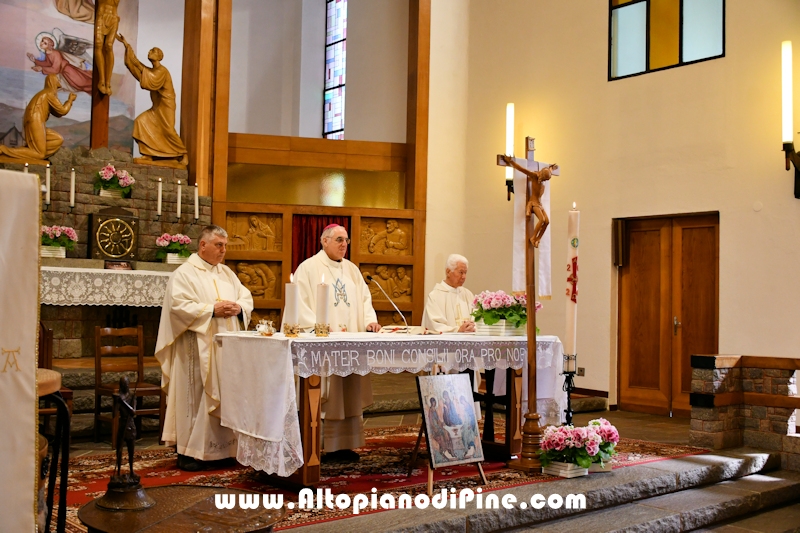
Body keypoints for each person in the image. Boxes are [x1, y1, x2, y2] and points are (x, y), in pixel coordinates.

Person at [155, 225, 253, 471]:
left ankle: (225, 449)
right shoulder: (184, 274)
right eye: (219, 245)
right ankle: (188, 451)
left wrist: (239, 308)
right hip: (195, 349)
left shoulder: (227, 273)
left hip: (226, 348)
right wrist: (212, 310)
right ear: (203, 245)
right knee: (195, 396)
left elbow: (245, 297)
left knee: (227, 394)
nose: (223, 250)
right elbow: (177, 306)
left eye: (225, 246)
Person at [287, 224, 381, 461]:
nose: (343, 245)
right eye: (339, 239)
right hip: (324, 343)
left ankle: (344, 445)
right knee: (328, 392)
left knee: (348, 391)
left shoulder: (352, 270)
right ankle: (319, 445)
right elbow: (298, 304)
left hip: (350, 342)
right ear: (324, 241)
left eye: (346, 240)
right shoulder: (308, 268)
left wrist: (370, 321)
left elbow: (364, 300)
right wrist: (316, 325)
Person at [117, 34, 188, 165]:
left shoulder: (162, 71)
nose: (150, 51)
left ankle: (182, 153)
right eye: (150, 50)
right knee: (141, 122)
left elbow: (146, 74)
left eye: (153, 50)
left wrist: (136, 62)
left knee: (168, 129)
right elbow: (135, 68)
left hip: (166, 104)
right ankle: (148, 154)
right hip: (156, 107)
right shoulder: (151, 71)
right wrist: (126, 46)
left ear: (159, 56)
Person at [0, 75, 75, 161]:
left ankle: (30, 153)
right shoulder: (49, 93)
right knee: (39, 154)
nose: (59, 82)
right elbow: (62, 111)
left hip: (35, 121)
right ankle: (4, 150)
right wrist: (70, 101)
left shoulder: (45, 93)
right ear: (53, 81)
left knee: (57, 139)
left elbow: (58, 114)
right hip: (35, 121)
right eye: (57, 79)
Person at [501, 155, 558, 248]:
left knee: (547, 222)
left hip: (540, 203)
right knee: (542, 219)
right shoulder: (535, 176)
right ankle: (533, 238)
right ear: (542, 174)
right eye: (544, 178)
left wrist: (551, 168)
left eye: (546, 179)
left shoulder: (545, 176)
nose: (545, 180)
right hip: (534, 202)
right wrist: (511, 162)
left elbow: (549, 172)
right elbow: (522, 170)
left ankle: (538, 239)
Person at [421, 254, 476, 333]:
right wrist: (458, 330)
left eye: (465, 272)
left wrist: (472, 327)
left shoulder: (468, 294)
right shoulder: (435, 296)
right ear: (448, 272)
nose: (464, 276)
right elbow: (434, 325)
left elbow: (476, 320)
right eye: (461, 272)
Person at [27, 33, 92, 94]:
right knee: (77, 85)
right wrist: (35, 60)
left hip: (69, 71)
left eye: (45, 43)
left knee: (81, 83)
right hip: (64, 73)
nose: (42, 43)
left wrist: (41, 68)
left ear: (49, 45)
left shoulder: (55, 53)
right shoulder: (48, 53)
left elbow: (56, 69)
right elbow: (48, 63)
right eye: (42, 41)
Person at [95, 0, 120, 95]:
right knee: (98, 43)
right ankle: (101, 80)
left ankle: (108, 82)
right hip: (101, 16)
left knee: (109, 45)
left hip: (113, 18)